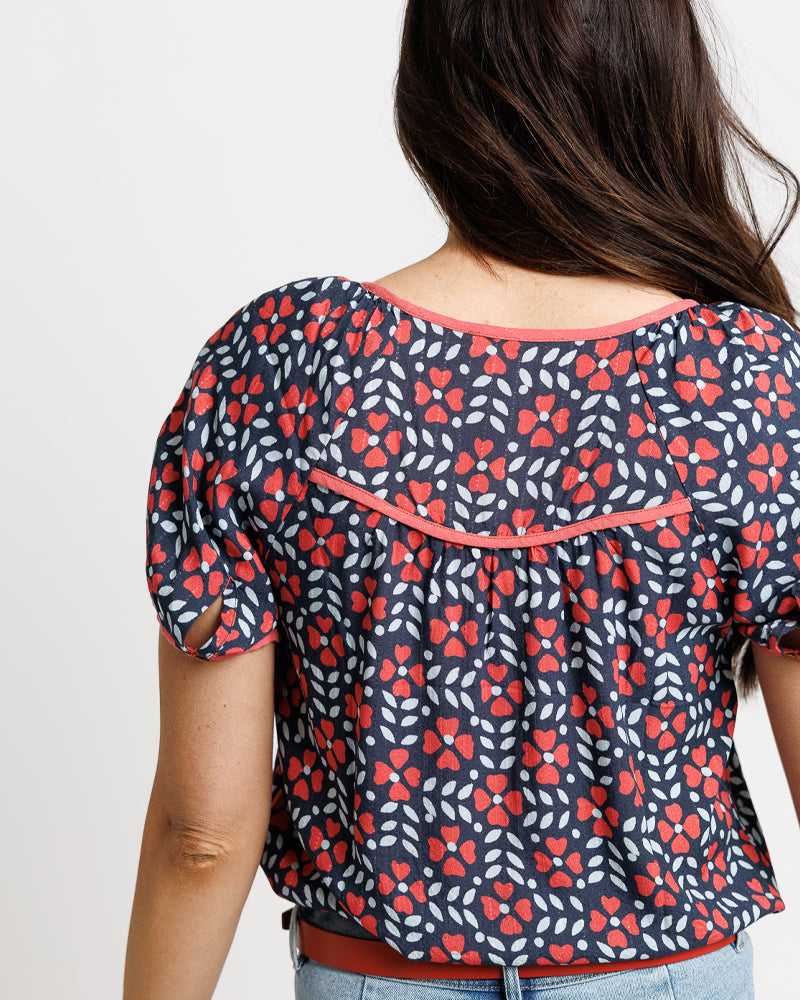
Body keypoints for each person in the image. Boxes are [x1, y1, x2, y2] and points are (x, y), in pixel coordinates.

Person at [124, 2, 800, 998]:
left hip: (371, 973)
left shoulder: (278, 367)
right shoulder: (751, 380)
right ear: (659, 90)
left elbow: (201, 831)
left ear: (432, 97)